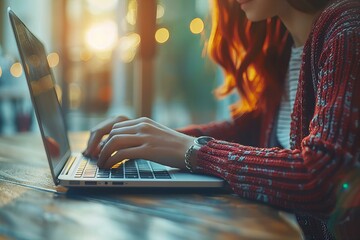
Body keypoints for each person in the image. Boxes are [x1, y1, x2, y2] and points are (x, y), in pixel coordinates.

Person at [84, 0, 360, 238]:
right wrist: (149, 136)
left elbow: (324, 178)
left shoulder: (347, 28)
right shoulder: (285, 43)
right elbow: (250, 128)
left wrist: (193, 150)